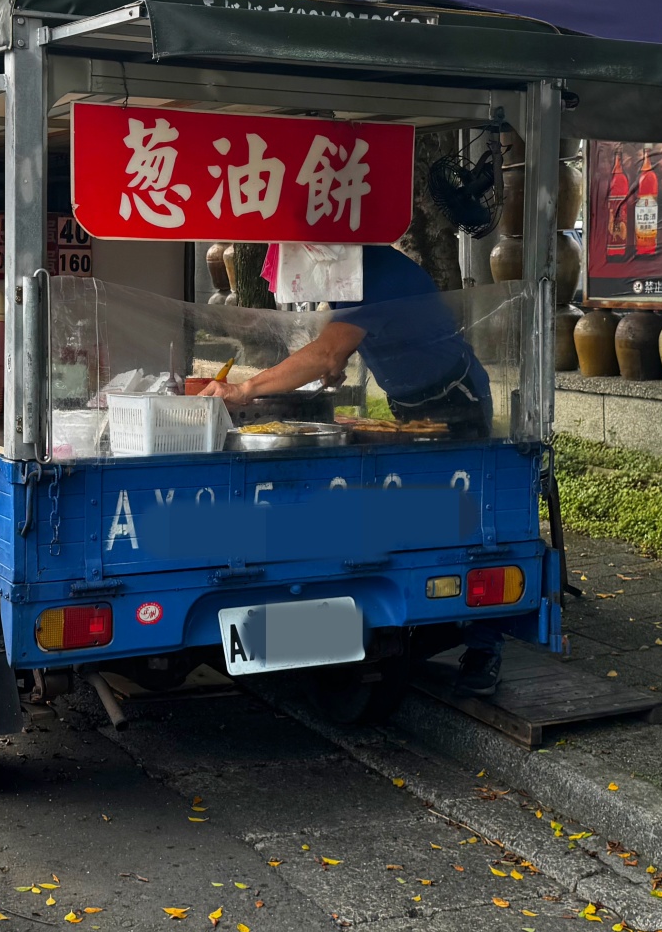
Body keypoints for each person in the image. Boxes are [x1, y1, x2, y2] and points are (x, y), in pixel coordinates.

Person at [201, 244, 504, 696]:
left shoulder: (382, 274)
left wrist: (245, 389)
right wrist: (336, 360)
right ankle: (420, 619)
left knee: (469, 521)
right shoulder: (350, 278)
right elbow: (342, 345)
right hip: (407, 405)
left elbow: (325, 352)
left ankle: (484, 644)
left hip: (457, 401)